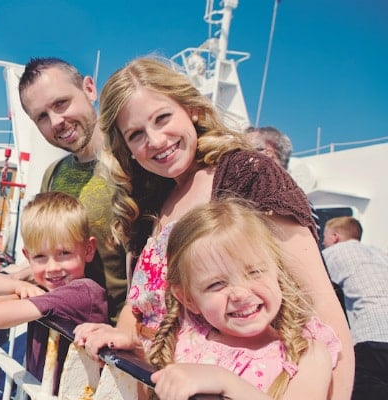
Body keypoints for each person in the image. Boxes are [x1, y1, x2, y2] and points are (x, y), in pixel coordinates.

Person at [72, 56, 354, 400]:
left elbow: (323, 310)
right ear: (126, 147)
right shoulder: (150, 202)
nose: (156, 140)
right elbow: (145, 307)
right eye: (136, 135)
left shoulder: (246, 175)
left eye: (163, 118)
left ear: (190, 109)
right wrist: (125, 341)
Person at [148, 199, 340, 399]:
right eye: (216, 284)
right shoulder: (185, 337)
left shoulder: (307, 355)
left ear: (277, 271)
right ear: (189, 300)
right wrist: (126, 345)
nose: (240, 294)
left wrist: (226, 382)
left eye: (255, 272)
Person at [13, 57, 127, 323]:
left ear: (89, 89)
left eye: (61, 104)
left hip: (117, 342)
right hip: (64, 329)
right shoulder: (53, 174)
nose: (56, 122)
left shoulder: (132, 163)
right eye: (42, 116)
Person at [0, 191, 107, 394]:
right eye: (41, 256)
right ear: (27, 256)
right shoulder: (50, 287)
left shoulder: (81, 293)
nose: (52, 267)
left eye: (64, 253)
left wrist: (15, 287)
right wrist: (16, 285)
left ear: (88, 250)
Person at [322, 216, 388, 399]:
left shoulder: (332, 253)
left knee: (356, 384)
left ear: (335, 236)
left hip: (371, 336)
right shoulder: (379, 253)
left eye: (325, 238)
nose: (324, 243)